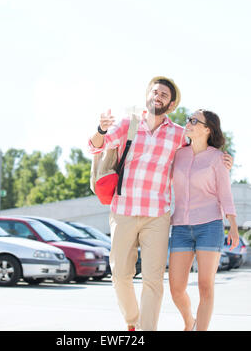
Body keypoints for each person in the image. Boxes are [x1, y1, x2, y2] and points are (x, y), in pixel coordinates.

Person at [88, 76, 233, 331]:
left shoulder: (179, 135)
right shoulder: (128, 125)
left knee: (153, 280)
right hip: (123, 210)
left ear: (172, 103)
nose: (158, 96)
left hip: (158, 215)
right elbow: (96, 147)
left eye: (164, 95)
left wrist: (224, 159)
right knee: (121, 275)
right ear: (147, 95)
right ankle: (133, 321)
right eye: (155, 92)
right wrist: (100, 130)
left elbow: (203, 147)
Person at [168, 109, 239, 331]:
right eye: (188, 119)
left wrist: (233, 226)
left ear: (207, 129)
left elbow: (225, 194)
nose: (187, 123)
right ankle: (189, 320)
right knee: (176, 287)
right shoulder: (178, 154)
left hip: (210, 225)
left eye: (193, 120)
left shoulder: (218, 159)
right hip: (180, 226)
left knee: (205, 285)